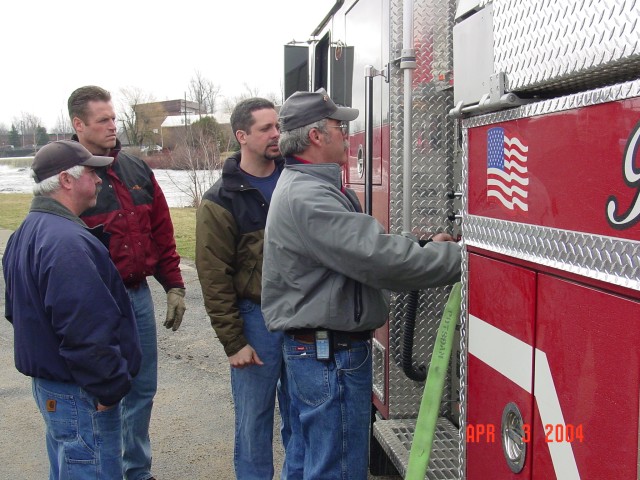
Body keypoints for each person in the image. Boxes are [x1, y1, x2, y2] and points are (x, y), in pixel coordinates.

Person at [261, 89, 462, 479]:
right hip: (330, 357)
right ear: (317, 136)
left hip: (320, 352)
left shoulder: (312, 187)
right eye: (340, 126)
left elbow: (364, 246)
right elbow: (378, 259)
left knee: (309, 461)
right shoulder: (310, 196)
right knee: (335, 469)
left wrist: (421, 246)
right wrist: (465, 259)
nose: (348, 135)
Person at [2, 140, 142, 479]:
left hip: (56, 387)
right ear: (66, 180)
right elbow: (86, 329)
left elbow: (16, 313)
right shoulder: (65, 242)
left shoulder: (27, 232)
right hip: (79, 391)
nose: (98, 181)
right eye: (92, 173)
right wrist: (108, 387)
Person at [68, 85, 186, 480]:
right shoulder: (70, 179)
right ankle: (103, 469)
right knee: (100, 390)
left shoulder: (135, 169)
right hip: (94, 303)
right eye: (103, 120)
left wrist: (173, 284)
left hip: (136, 296)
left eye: (114, 118)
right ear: (78, 124)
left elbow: (161, 231)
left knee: (141, 388)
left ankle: (136, 470)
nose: (112, 126)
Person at [195, 98, 289, 479]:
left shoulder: (295, 181)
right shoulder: (221, 199)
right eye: (266, 128)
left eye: (278, 127)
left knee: (302, 417)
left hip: (299, 316)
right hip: (256, 321)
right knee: (254, 421)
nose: (276, 135)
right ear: (242, 136)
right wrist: (233, 342)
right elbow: (213, 276)